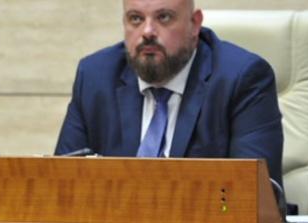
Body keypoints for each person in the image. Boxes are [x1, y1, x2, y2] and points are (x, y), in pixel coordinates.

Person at [54, 0, 286, 201]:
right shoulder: (96, 77)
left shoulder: (241, 79)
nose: (147, 32)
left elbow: (253, 197)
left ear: (195, 24)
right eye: (135, 19)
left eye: (163, 17)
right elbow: (60, 188)